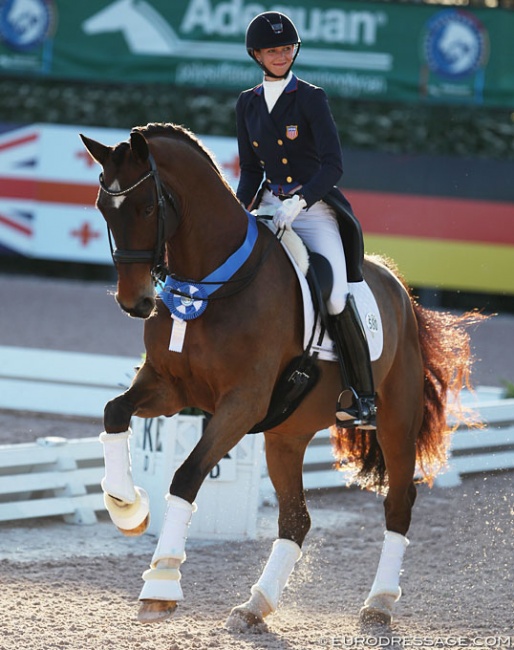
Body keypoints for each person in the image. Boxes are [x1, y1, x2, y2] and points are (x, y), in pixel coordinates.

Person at [235, 11, 376, 429]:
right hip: (267, 207)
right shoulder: (247, 103)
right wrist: (237, 208)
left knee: (333, 295)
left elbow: (333, 165)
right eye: (272, 50)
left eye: (286, 48)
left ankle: (363, 397)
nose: (280, 55)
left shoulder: (311, 98)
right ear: (256, 54)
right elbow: (249, 170)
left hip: (312, 211)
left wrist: (300, 200)